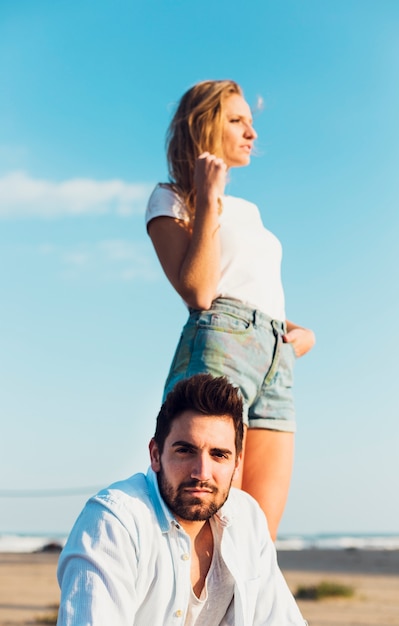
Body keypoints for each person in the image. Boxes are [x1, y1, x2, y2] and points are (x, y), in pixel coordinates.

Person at [145, 80, 315, 539]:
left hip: (275, 358)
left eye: (251, 122)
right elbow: (199, 291)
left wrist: (302, 334)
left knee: (260, 534)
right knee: (209, 521)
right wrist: (207, 196)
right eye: (238, 121)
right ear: (205, 125)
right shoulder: (172, 198)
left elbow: (252, 289)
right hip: (221, 347)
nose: (251, 134)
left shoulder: (250, 211)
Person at [57, 374, 307, 625]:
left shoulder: (247, 517)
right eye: (185, 451)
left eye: (219, 455)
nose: (201, 473)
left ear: (237, 464)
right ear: (156, 455)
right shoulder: (114, 522)